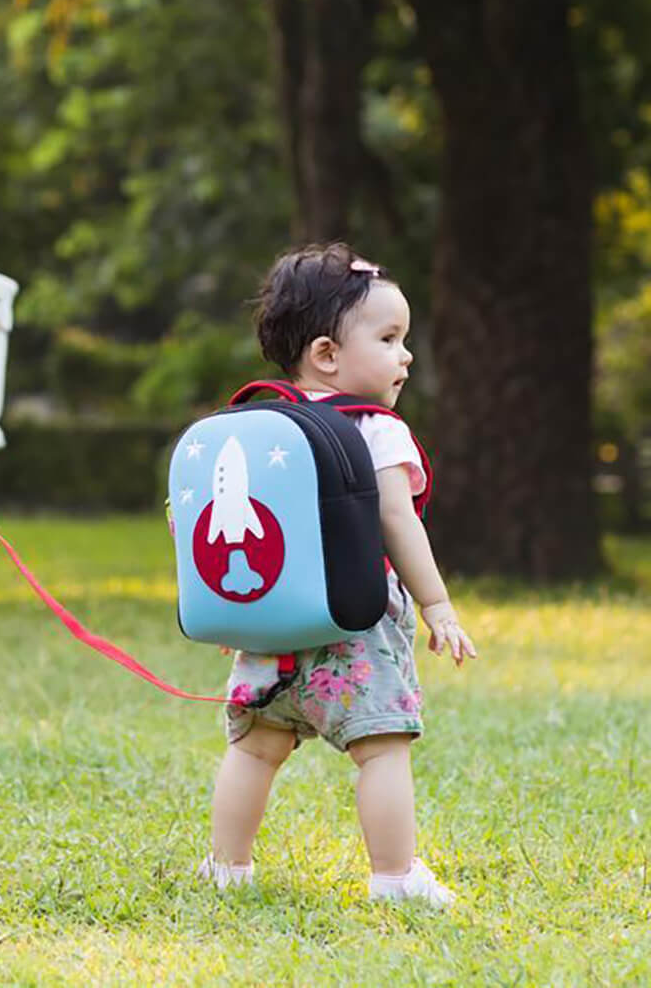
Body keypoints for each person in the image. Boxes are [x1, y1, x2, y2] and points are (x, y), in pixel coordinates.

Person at [198, 242, 477, 906]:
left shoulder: (258, 426)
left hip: (271, 633)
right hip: (356, 628)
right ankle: (393, 878)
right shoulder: (377, 431)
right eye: (389, 338)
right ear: (327, 355)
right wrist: (437, 603)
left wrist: (234, 611)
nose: (405, 354)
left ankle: (226, 867)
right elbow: (396, 519)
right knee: (382, 750)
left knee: (255, 752)